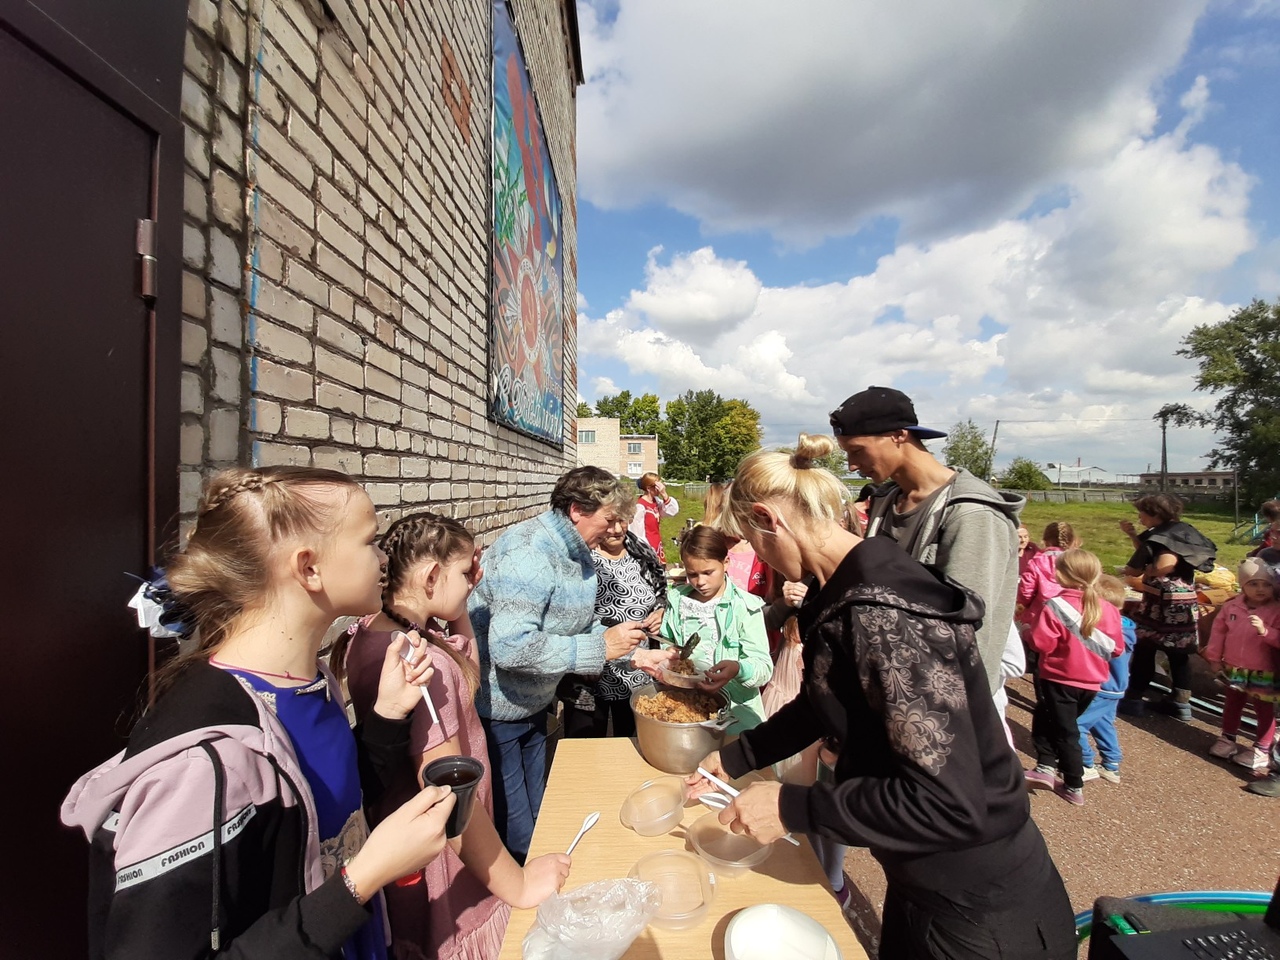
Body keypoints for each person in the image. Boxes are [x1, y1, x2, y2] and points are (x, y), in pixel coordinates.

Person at [690, 433, 1075, 960]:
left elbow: (949, 804)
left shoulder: (882, 614)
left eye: (753, 543)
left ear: (767, 519)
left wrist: (790, 805)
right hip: (922, 879)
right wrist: (739, 756)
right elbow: (828, 697)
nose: (762, 558)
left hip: (978, 907)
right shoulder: (845, 584)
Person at [61, 466, 456, 959]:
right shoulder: (202, 763)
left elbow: (326, 812)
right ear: (308, 568)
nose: (382, 558)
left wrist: (387, 716)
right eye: (369, 540)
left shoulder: (309, 683)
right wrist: (363, 878)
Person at [335, 512, 572, 960]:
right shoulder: (422, 665)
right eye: (465, 573)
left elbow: (468, 676)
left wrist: (458, 606)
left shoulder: (380, 634)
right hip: (450, 851)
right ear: (430, 577)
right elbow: (450, 795)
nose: (472, 583)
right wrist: (519, 883)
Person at [469, 466, 647, 862]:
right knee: (517, 829)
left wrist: (637, 653)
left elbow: (579, 625)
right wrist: (599, 648)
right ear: (576, 510)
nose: (616, 528)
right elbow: (511, 648)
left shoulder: (576, 553)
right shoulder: (529, 553)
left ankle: (538, 876)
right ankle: (521, 889)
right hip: (499, 711)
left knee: (540, 811)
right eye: (609, 519)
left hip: (535, 703)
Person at [830, 385, 1023, 695]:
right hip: (895, 692)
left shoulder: (971, 514)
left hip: (945, 702)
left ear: (898, 435)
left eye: (857, 450)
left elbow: (966, 632)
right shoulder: (885, 503)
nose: (852, 464)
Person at [1023, 549, 1125, 806]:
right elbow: (1116, 649)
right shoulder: (1108, 609)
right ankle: (1046, 766)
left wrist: (1026, 631)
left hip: (1058, 676)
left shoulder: (1055, 605)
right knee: (1053, 720)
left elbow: (1042, 643)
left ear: (1061, 575)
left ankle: (1072, 782)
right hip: (1092, 682)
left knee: (1063, 730)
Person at [650, 526, 773, 734]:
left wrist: (738, 669)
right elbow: (668, 643)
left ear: (726, 563)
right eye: (692, 574)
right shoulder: (678, 603)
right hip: (688, 709)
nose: (700, 582)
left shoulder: (745, 608)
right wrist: (669, 656)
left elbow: (763, 668)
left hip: (736, 714)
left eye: (708, 572)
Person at [561, 523, 667, 738]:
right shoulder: (579, 558)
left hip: (636, 670)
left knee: (631, 743)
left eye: (623, 520)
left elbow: (661, 590)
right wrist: (586, 654)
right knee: (586, 745)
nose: (617, 529)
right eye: (610, 522)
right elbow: (563, 613)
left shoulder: (640, 551)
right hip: (590, 672)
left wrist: (661, 610)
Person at [1117, 493, 1217, 720]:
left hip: (1160, 603)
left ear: (1155, 514)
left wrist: (1144, 571)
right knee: (1179, 652)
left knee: (1145, 648)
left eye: (1142, 513)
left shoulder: (1160, 537)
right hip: (1185, 601)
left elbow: (1162, 563)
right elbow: (1151, 550)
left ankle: (1133, 699)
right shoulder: (1183, 531)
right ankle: (1181, 703)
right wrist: (1133, 536)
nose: (1140, 517)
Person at [1203, 558, 1280, 772]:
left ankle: (1262, 748)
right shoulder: (1231, 607)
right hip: (1234, 667)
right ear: (1243, 585)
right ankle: (1227, 738)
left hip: (1265, 670)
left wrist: (1266, 631)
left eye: (1266, 584)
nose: (1260, 589)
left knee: (1264, 710)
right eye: (1253, 584)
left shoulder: (1276, 610)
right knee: (1232, 703)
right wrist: (1214, 659)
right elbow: (1218, 634)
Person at [1078, 575, 1135, 785]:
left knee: (1076, 725)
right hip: (1116, 687)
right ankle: (1111, 764)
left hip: (1102, 685)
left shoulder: (1106, 628)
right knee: (1103, 724)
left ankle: (1085, 762)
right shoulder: (1126, 627)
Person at [1017, 521, 1080, 625]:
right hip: (1073, 615)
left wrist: (1023, 604)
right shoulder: (1078, 561)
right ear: (1072, 540)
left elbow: (1025, 592)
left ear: (1046, 541)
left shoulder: (1037, 561)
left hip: (1041, 616)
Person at [628, 471, 679, 562]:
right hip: (647, 548)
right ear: (649, 488)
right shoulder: (640, 507)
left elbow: (672, 510)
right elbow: (637, 534)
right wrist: (648, 552)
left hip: (657, 544)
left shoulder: (656, 501)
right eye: (658, 485)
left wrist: (664, 494)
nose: (661, 487)